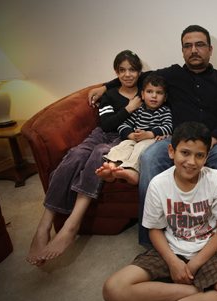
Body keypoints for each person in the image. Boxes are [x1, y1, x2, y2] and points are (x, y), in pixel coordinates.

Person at [88, 25, 217, 259]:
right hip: (175, 140)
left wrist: (213, 139)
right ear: (182, 51)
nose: (194, 50)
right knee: (150, 157)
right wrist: (105, 86)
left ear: (210, 50)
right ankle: (152, 244)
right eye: (188, 45)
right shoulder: (171, 75)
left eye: (200, 45)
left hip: (216, 142)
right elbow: (136, 77)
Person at [102, 121, 217, 301]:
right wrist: (173, 262)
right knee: (113, 290)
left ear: (207, 157)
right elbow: (154, 230)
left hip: (208, 251)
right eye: (185, 153)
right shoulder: (158, 184)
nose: (191, 161)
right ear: (171, 151)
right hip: (170, 249)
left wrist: (196, 263)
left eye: (199, 155)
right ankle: (202, 295)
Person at [26, 50, 143, 266]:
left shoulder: (146, 88)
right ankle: (44, 227)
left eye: (132, 70)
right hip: (102, 132)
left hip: (123, 138)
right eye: (122, 70)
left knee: (99, 154)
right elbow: (106, 124)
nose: (128, 75)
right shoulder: (109, 95)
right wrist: (128, 107)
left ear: (139, 71)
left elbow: (122, 128)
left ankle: (72, 224)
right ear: (116, 73)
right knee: (75, 155)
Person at [96, 74, 172, 185]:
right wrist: (130, 135)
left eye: (159, 93)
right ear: (142, 94)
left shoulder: (164, 111)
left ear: (165, 97)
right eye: (149, 92)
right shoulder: (138, 110)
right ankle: (112, 167)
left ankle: (132, 171)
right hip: (135, 138)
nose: (154, 96)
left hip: (151, 140)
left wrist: (149, 134)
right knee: (123, 146)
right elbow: (124, 125)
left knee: (141, 147)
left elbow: (168, 127)